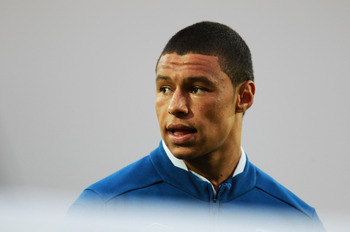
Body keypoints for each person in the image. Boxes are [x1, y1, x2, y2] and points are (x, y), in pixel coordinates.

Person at [68, 21, 324, 231]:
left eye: (197, 88)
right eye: (165, 89)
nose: (175, 106)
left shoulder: (298, 221)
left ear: (244, 97)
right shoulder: (100, 209)